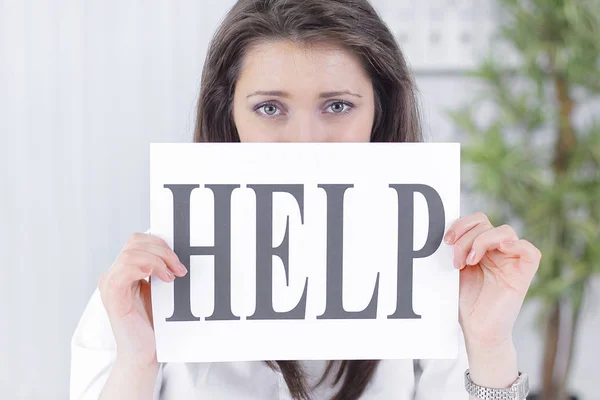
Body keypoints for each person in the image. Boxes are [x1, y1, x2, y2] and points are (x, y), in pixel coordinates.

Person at [70, 0, 542, 399]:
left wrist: (489, 344)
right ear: (227, 113)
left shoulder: (432, 266)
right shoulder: (145, 281)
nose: (305, 143)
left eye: (337, 106)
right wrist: (137, 362)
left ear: (380, 113)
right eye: (269, 108)